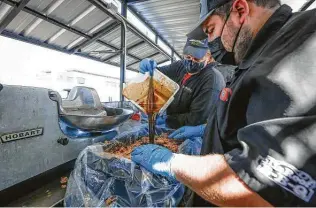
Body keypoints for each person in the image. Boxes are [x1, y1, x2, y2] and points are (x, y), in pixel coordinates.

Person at [131, 0, 316, 206]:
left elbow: (262, 187)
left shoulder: (300, 48)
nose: (212, 42)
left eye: (210, 30)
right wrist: (206, 130)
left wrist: (173, 163)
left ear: (239, 10)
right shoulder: (256, 55)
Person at [139, 38, 226, 129]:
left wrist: (167, 120)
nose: (191, 61)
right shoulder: (181, 66)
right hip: (172, 123)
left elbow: (197, 118)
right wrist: (149, 67)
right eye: (188, 57)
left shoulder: (212, 80)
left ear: (209, 57)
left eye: (197, 58)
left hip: (192, 131)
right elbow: (158, 74)